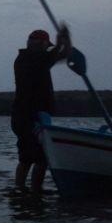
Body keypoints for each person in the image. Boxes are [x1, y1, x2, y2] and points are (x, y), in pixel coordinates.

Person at [10, 25, 72, 191]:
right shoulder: (29, 59)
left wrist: (66, 39)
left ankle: (26, 190)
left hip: (33, 116)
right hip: (26, 117)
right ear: (39, 43)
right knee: (36, 158)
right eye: (45, 44)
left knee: (32, 158)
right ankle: (29, 191)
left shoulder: (39, 58)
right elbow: (58, 53)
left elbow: (64, 54)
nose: (46, 47)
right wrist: (62, 40)